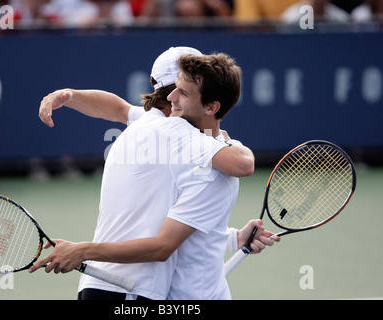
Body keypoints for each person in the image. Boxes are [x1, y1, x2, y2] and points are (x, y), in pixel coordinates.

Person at [31, 48, 279, 300]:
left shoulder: (145, 124)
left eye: (183, 91)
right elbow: (243, 165)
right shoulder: (181, 133)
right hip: (132, 290)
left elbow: (119, 108)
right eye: (177, 88)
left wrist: (230, 238)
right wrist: (232, 143)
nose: (175, 96)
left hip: (105, 284)